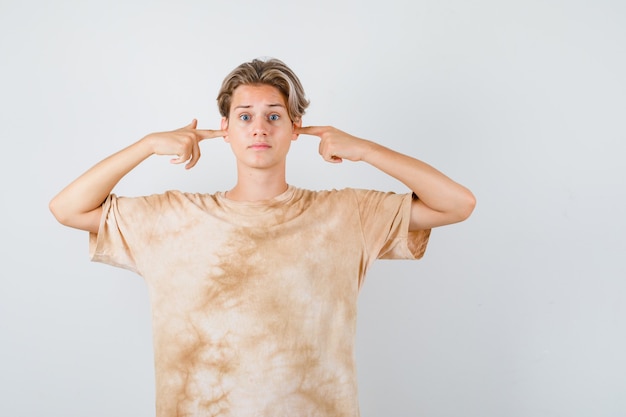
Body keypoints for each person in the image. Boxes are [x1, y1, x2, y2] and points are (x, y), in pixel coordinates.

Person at [49, 57, 476, 417]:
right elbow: (67, 209)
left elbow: (457, 204)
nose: (259, 128)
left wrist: (362, 148)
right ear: (225, 129)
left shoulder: (348, 214)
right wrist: (146, 145)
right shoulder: (172, 217)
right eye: (245, 116)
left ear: (295, 128)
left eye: (274, 116)